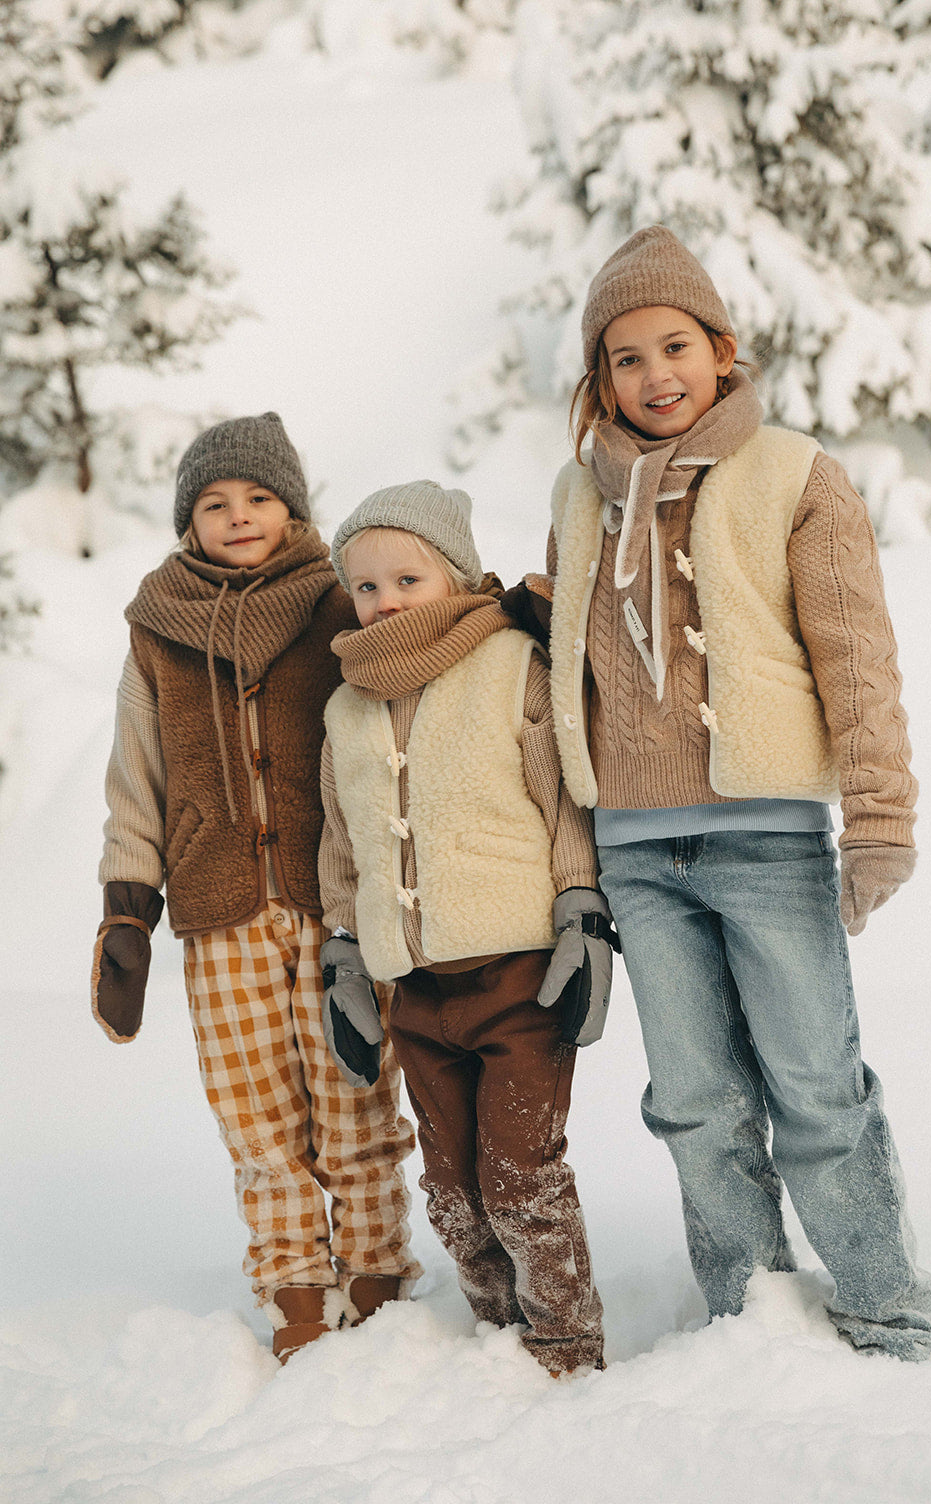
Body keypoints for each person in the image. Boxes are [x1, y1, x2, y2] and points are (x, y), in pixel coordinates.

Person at [541, 226, 931, 1361]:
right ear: (597, 378)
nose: (653, 374)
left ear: (721, 350)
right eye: (623, 357)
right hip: (634, 853)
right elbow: (560, 681)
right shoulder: (581, 497)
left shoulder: (793, 475)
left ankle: (885, 1313)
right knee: (695, 1103)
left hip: (768, 841)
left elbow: (854, 658)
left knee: (817, 1091)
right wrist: (575, 868)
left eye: (674, 345)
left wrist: (878, 821)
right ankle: (744, 1320)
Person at [93, 412, 420, 1363]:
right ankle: (292, 1280)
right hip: (216, 907)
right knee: (256, 1115)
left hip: (337, 904)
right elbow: (136, 773)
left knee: (352, 1092)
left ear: (292, 509)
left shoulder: (336, 602)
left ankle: (374, 1264)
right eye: (214, 504)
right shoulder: (157, 629)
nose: (238, 516)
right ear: (186, 522)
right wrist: (126, 905)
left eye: (259, 499)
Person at [318, 480, 607, 1376]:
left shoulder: (511, 663)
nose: (385, 600)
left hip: (518, 973)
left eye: (408, 577)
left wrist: (580, 909)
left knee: (521, 1174)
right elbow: (344, 842)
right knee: (450, 1187)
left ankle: (564, 1343)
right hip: (414, 989)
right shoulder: (344, 707)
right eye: (365, 587)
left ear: (455, 575)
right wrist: (343, 955)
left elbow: (562, 801)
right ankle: (496, 1335)